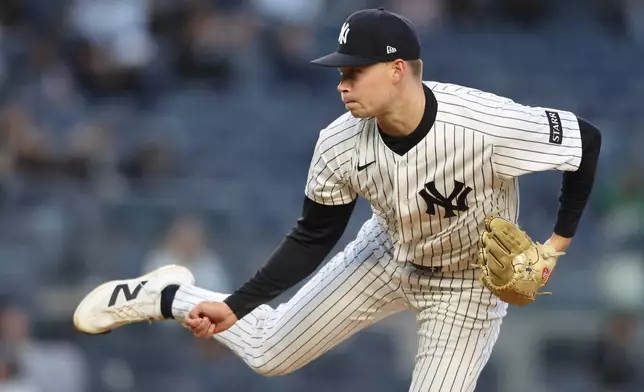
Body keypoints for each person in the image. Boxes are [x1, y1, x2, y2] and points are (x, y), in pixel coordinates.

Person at [73, 8, 602, 391]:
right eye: (341, 73)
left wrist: (555, 245)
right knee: (267, 353)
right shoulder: (339, 143)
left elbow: (585, 140)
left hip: (468, 286)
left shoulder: (484, 123)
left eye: (355, 72)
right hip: (386, 255)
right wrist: (235, 306)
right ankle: (164, 295)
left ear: (398, 70)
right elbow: (313, 237)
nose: (342, 85)